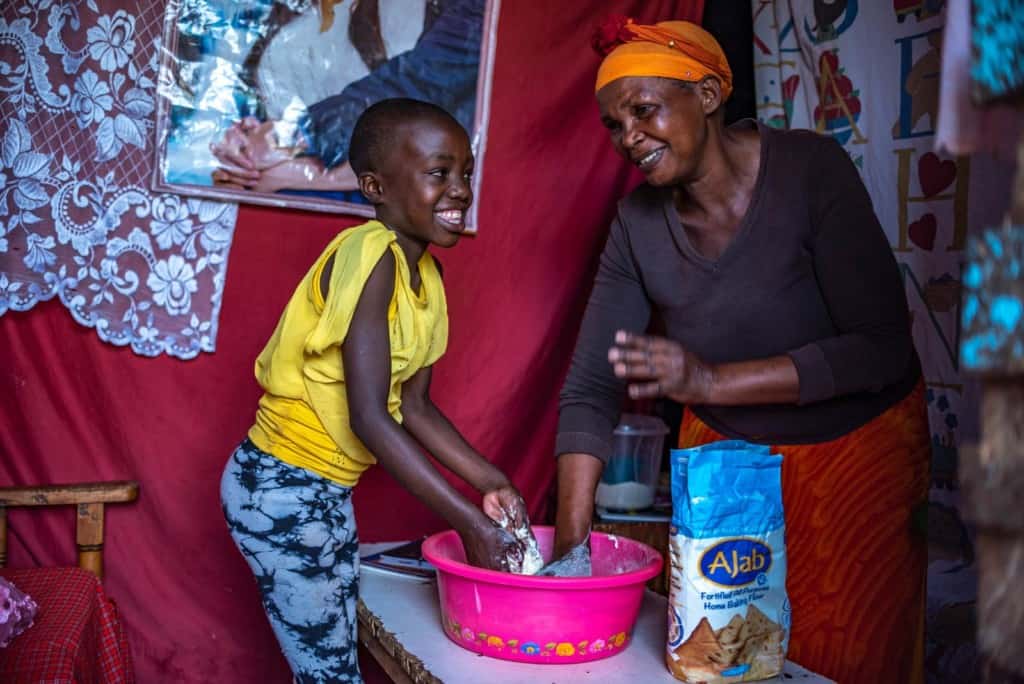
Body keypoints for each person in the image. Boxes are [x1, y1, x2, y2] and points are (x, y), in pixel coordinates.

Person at [552, 17, 929, 684]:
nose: (628, 137)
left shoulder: (810, 170)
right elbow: (590, 388)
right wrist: (572, 555)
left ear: (706, 95)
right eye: (614, 124)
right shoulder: (638, 224)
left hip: (855, 453)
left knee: (845, 657)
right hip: (727, 465)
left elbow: (881, 349)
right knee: (722, 662)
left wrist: (711, 380)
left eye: (644, 111)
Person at [220, 98, 528, 684]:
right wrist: (469, 522)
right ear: (375, 186)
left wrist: (492, 482)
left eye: (465, 173)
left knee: (331, 663)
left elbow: (413, 406)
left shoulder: (427, 281)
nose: (460, 190)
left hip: (323, 492)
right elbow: (370, 416)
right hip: (279, 488)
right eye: (439, 174)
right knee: (332, 673)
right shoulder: (369, 254)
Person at [209, 0, 484, 200]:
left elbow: (422, 86)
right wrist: (241, 153)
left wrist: (304, 163)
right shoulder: (274, 35)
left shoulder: (433, 15)